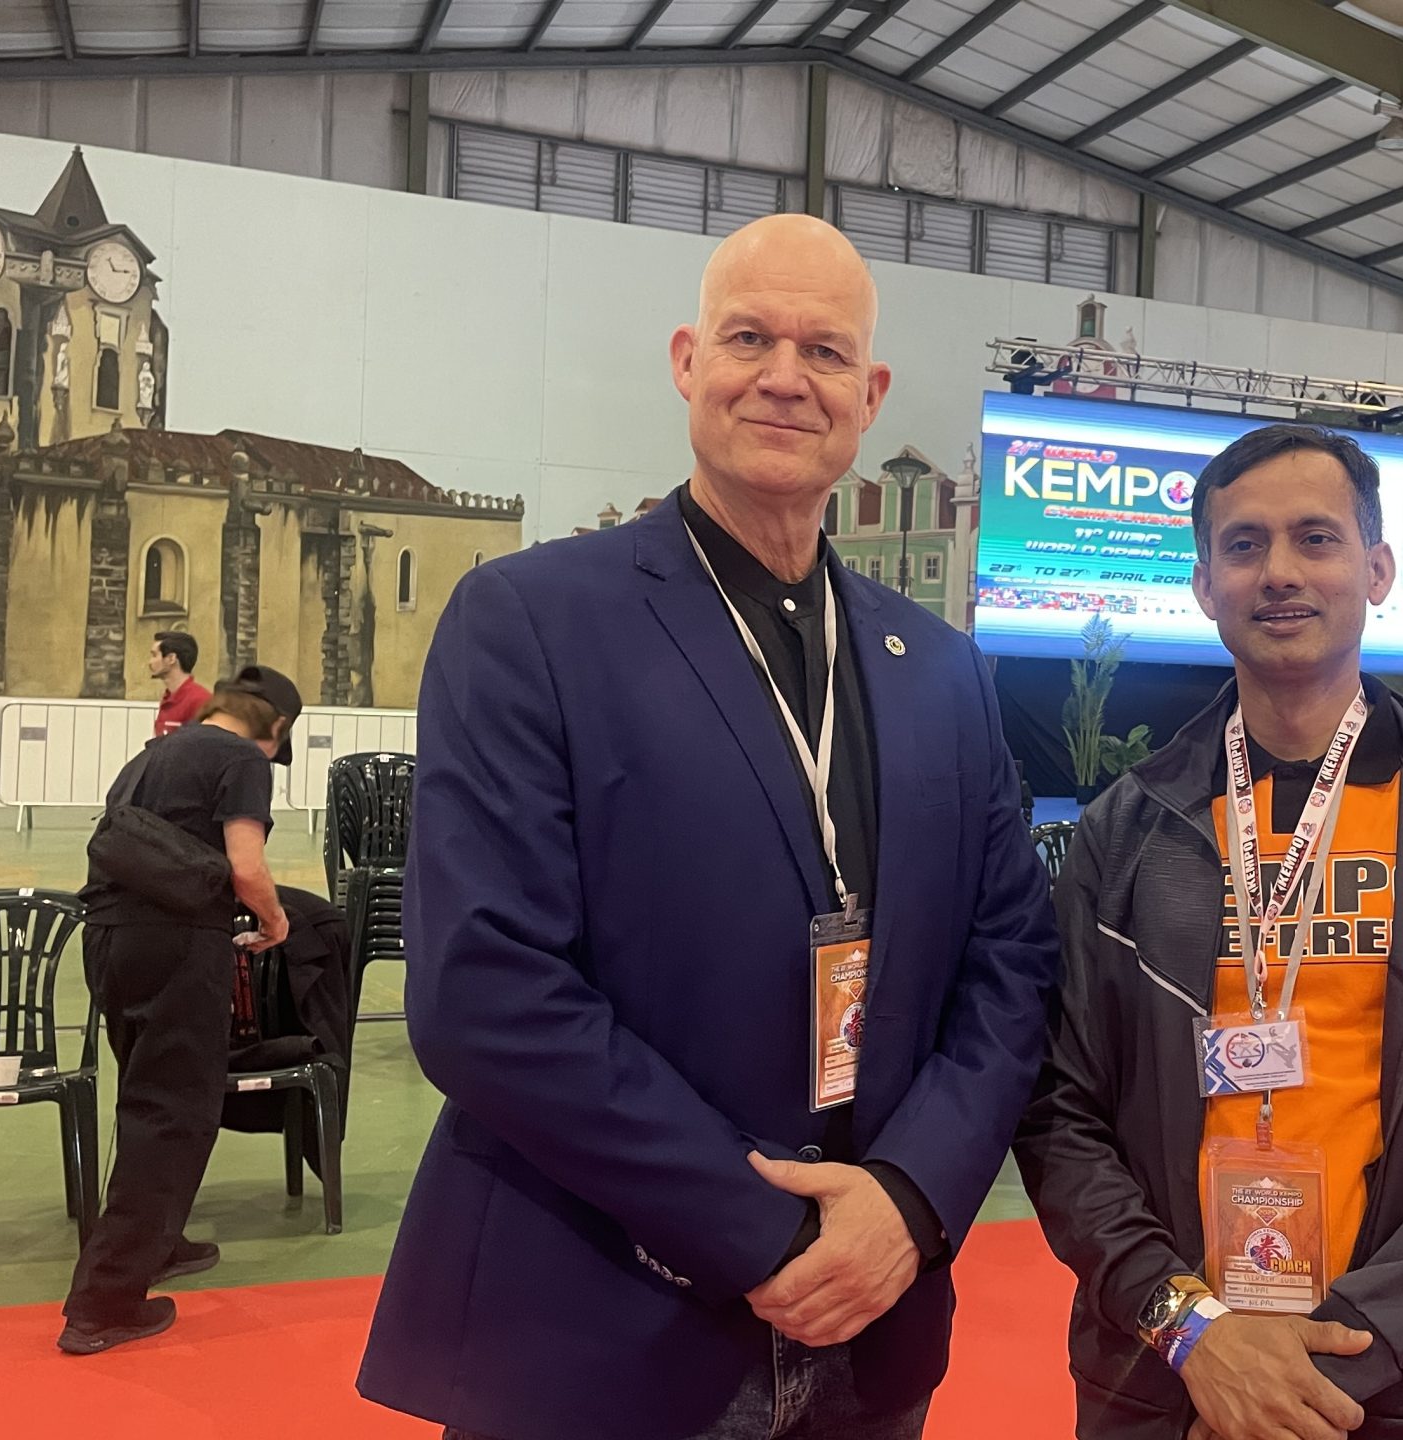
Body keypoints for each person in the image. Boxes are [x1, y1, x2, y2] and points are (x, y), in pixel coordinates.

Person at [358, 215, 1059, 1440]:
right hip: (601, 1322)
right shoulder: (531, 621)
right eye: (748, 338)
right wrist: (765, 1234)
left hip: (874, 1332)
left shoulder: (942, 668)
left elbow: (1010, 966)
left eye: (825, 351)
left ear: (869, 395)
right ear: (688, 363)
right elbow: (484, 989)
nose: (785, 376)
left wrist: (907, 1202)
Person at [1014, 424, 1403, 1439]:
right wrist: (1195, 1335)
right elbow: (1060, 1114)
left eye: (1315, 538)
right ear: (1205, 585)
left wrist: (1332, 1359)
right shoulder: (1128, 827)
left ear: (1376, 570)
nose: (1279, 571)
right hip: (1170, 1379)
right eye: (1244, 545)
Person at [60, 665, 301, 1354]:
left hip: (109, 939)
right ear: (276, 726)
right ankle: (104, 1304)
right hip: (177, 944)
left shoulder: (151, 755)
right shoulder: (242, 759)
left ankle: (157, 1243)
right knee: (174, 1112)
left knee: (146, 1097)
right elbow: (245, 866)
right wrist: (276, 921)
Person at [148, 631, 210, 736]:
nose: (150, 662)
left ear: (171, 659)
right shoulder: (168, 697)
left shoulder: (200, 700)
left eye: (154, 655)